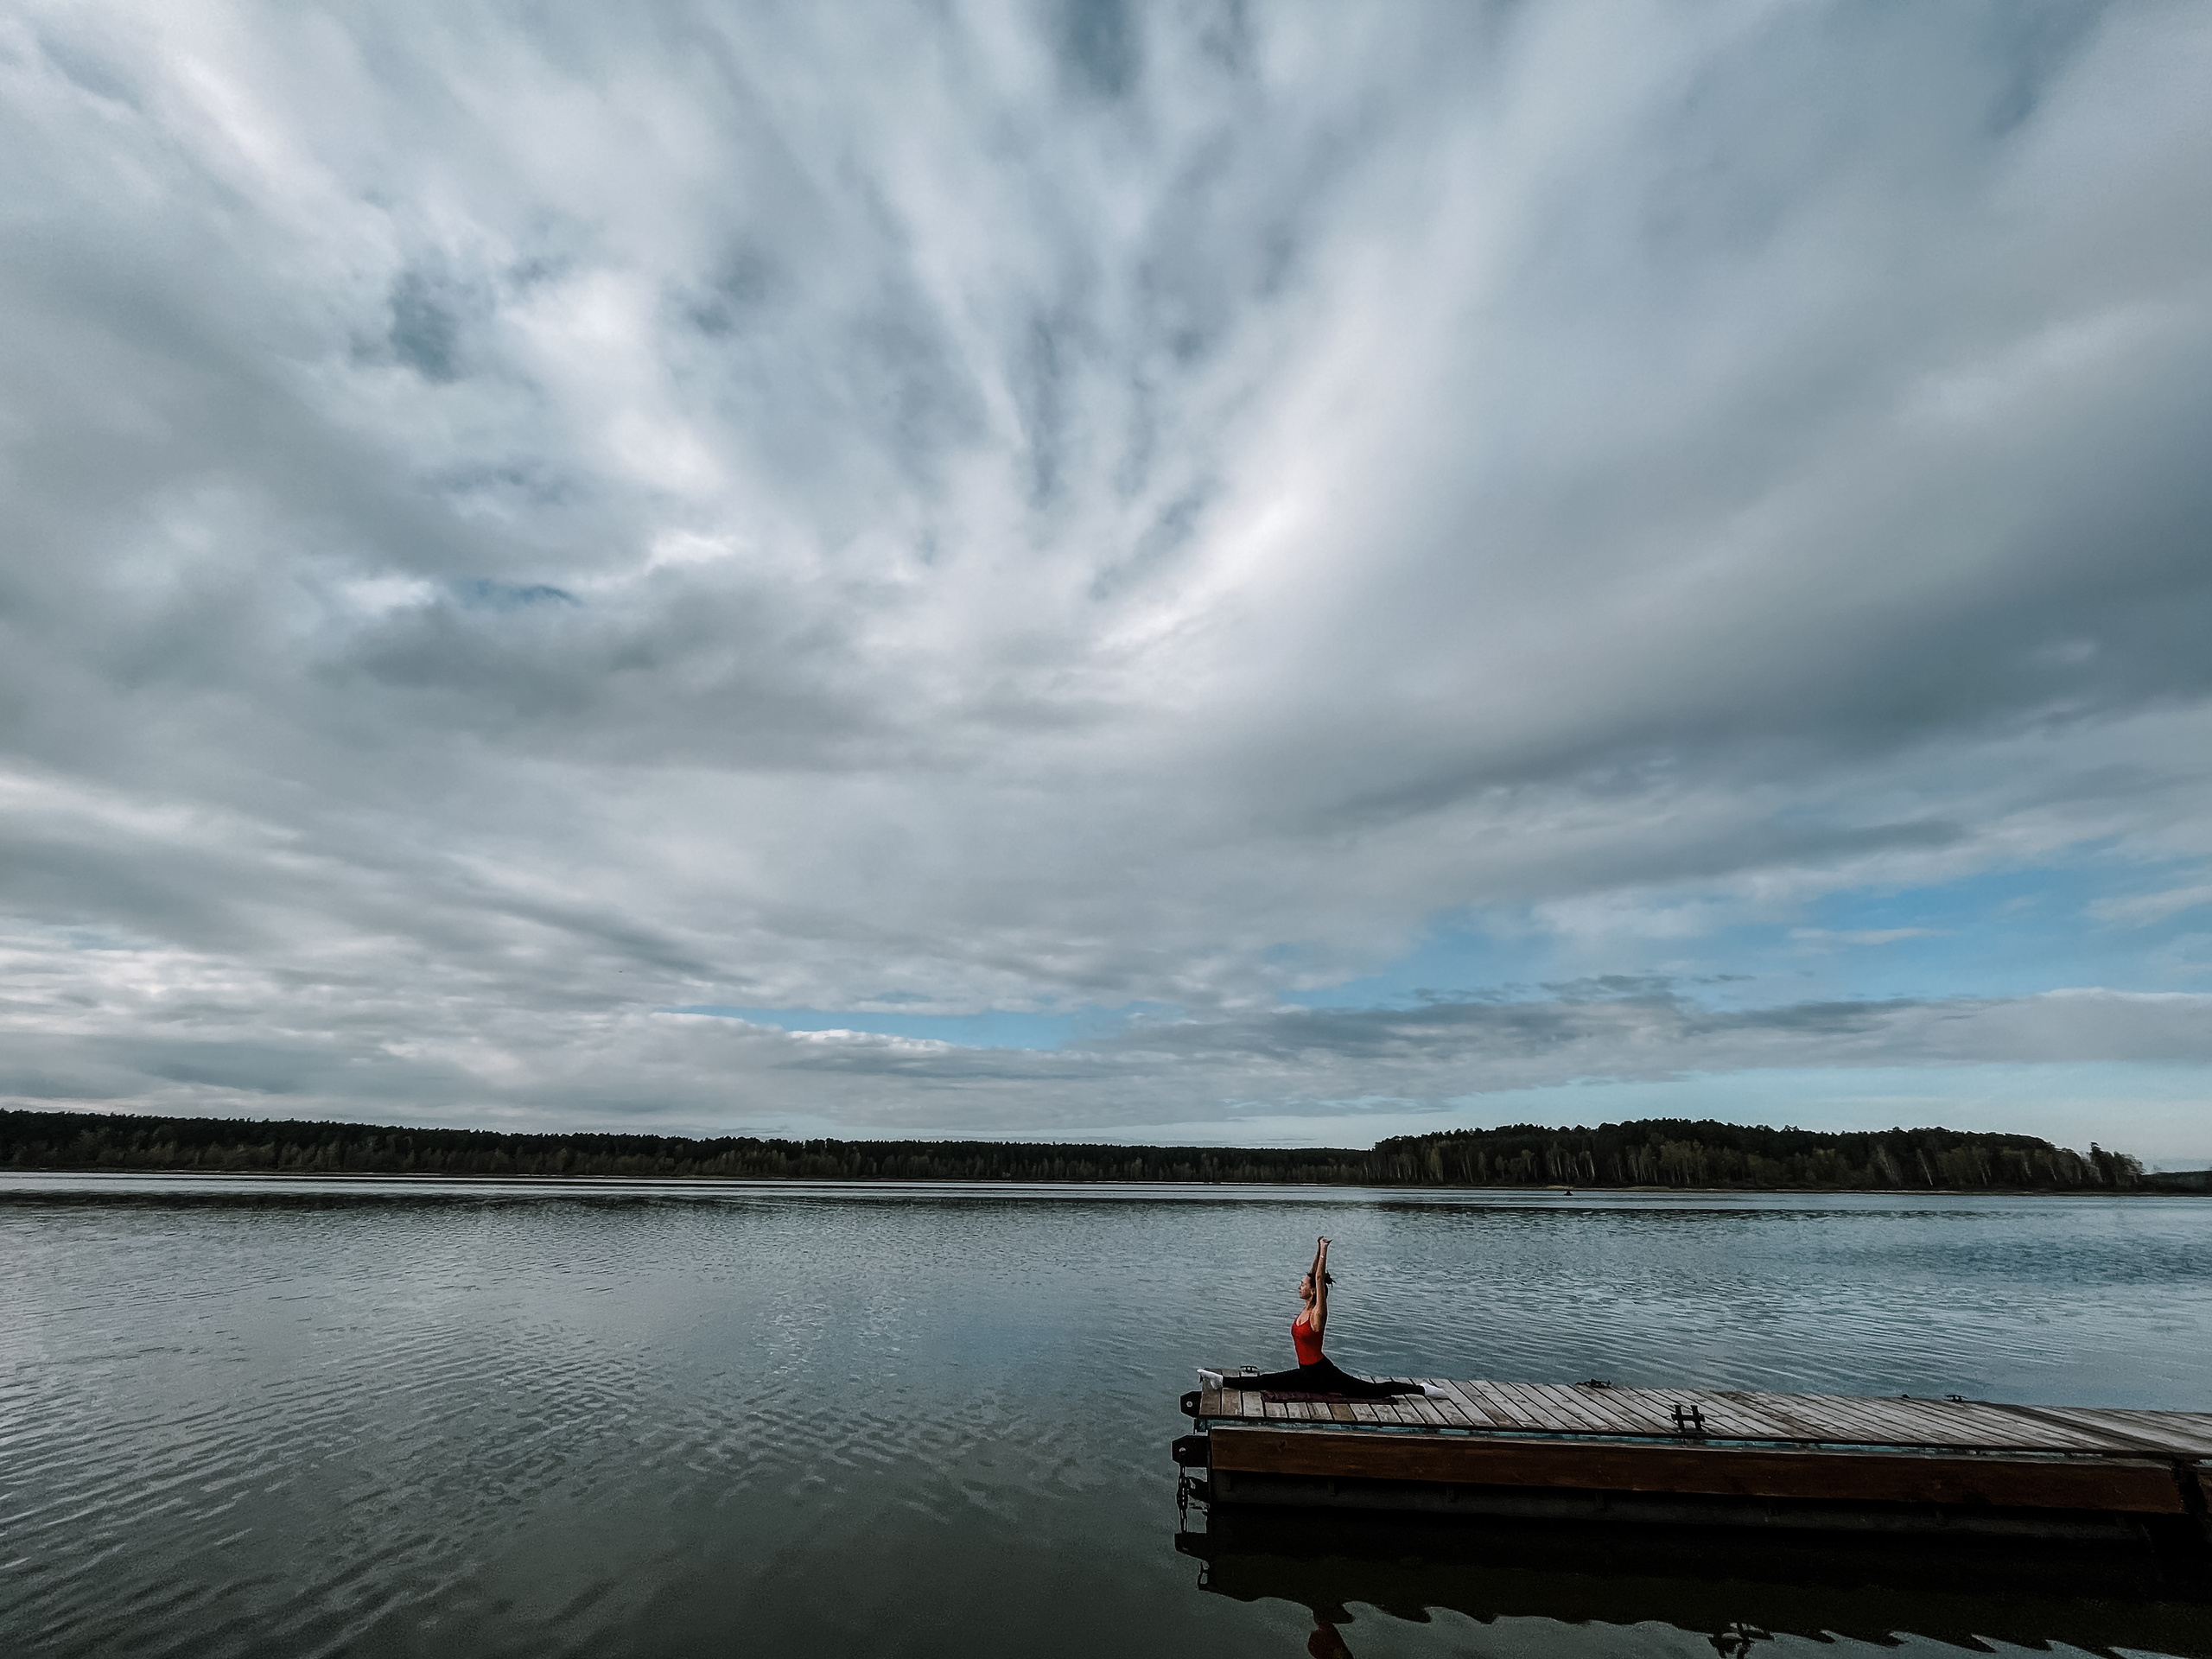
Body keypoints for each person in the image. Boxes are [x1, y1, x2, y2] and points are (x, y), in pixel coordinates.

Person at [1249, 1236, 1431, 1400]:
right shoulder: (1306, 1308)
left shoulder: (1317, 1314)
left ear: (1313, 1292)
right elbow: (1314, 1275)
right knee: (1266, 1380)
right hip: (1306, 1375)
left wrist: (1324, 1251)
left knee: (1375, 1390)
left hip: (1323, 1374)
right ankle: (1222, 1380)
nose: (1299, 1287)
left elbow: (1318, 1279)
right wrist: (1318, 1250)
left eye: (1302, 1285)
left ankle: (1423, 1390)